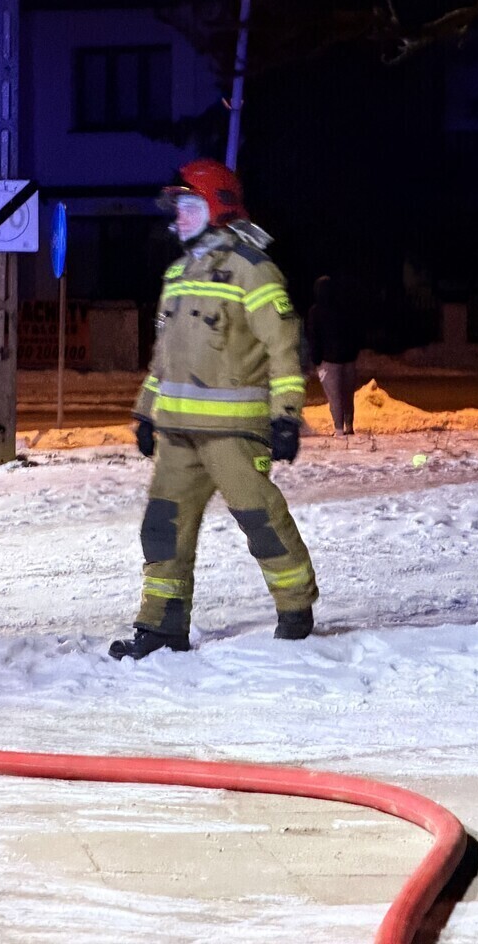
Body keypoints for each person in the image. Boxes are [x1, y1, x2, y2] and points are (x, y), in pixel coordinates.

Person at [111, 159, 318, 660]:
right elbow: (166, 355)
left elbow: (284, 347)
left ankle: (295, 612)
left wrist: (287, 414)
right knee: (163, 529)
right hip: (178, 434)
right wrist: (145, 410)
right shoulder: (179, 274)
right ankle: (161, 627)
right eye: (178, 208)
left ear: (216, 207)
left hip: (233, 434)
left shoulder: (253, 269)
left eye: (188, 206)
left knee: (261, 519)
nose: (179, 217)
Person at [306, 275, 360, 436]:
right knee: (347, 395)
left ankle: (339, 430)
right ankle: (349, 426)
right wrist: (353, 352)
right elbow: (355, 333)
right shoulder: (346, 309)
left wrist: (316, 359)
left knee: (334, 397)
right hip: (348, 359)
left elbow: (313, 337)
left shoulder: (315, 311)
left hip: (328, 361)